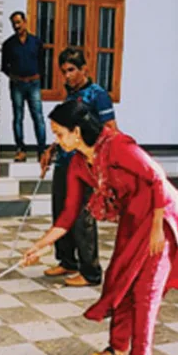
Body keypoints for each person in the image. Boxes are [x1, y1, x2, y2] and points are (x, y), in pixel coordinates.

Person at [22, 100, 178, 355]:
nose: (56, 139)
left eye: (59, 133)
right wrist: (38, 246)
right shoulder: (78, 163)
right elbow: (67, 216)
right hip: (133, 217)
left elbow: (156, 178)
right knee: (118, 281)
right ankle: (117, 348)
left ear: (76, 132)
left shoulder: (118, 147)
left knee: (145, 289)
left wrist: (157, 228)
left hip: (160, 215)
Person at [39, 47, 117, 287]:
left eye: (72, 70)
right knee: (61, 210)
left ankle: (90, 271)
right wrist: (52, 149)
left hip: (85, 166)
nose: (67, 76)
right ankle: (67, 260)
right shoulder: (70, 95)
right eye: (63, 71)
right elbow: (67, 129)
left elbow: (110, 130)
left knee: (83, 216)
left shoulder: (97, 95)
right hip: (65, 162)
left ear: (85, 69)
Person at [2, 10, 45, 162]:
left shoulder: (36, 42)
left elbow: (42, 63)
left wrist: (39, 77)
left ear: (25, 22)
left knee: (38, 117)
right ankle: (20, 150)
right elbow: (4, 66)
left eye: (19, 22)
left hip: (34, 84)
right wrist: (13, 76)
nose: (17, 26)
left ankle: (42, 151)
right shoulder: (8, 44)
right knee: (18, 117)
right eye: (14, 23)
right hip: (17, 85)